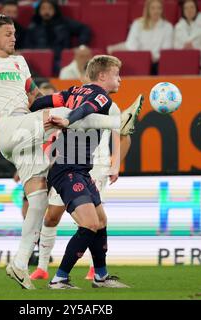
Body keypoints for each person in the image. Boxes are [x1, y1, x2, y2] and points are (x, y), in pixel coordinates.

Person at [0, 15, 131, 290]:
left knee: (39, 199)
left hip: (27, 135)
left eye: (14, 33)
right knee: (64, 115)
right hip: (8, 128)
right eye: (8, 34)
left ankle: (20, 263)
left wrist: (57, 97)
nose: (14, 37)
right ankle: (118, 121)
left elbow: (33, 97)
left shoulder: (20, 63)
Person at [28, 55, 132, 289]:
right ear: (103, 76)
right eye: (116, 75)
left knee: (101, 221)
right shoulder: (101, 96)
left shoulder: (73, 91)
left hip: (81, 169)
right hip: (68, 168)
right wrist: (68, 121)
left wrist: (27, 109)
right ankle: (59, 278)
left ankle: (101, 276)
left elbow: (46, 101)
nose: (120, 80)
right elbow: (87, 109)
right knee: (89, 224)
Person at [24, 0, 91, 74]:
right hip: (41, 60)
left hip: (61, 59)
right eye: (43, 9)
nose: (46, 11)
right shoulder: (33, 27)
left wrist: (81, 46)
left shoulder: (64, 23)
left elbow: (84, 29)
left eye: (50, 8)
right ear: (39, 11)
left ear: (55, 10)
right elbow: (28, 47)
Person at [107, 0, 173, 75]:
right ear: (147, 9)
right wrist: (144, 58)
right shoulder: (137, 24)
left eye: (159, 8)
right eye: (153, 8)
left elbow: (166, 49)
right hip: (139, 61)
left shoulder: (168, 26)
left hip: (158, 63)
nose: (156, 11)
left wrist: (150, 58)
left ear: (162, 10)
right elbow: (132, 45)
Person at [173, 0, 201, 70]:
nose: (189, 10)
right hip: (182, 63)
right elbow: (174, 46)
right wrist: (183, 48)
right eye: (186, 8)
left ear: (196, 9)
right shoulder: (178, 26)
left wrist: (195, 49)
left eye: (192, 7)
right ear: (183, 11)